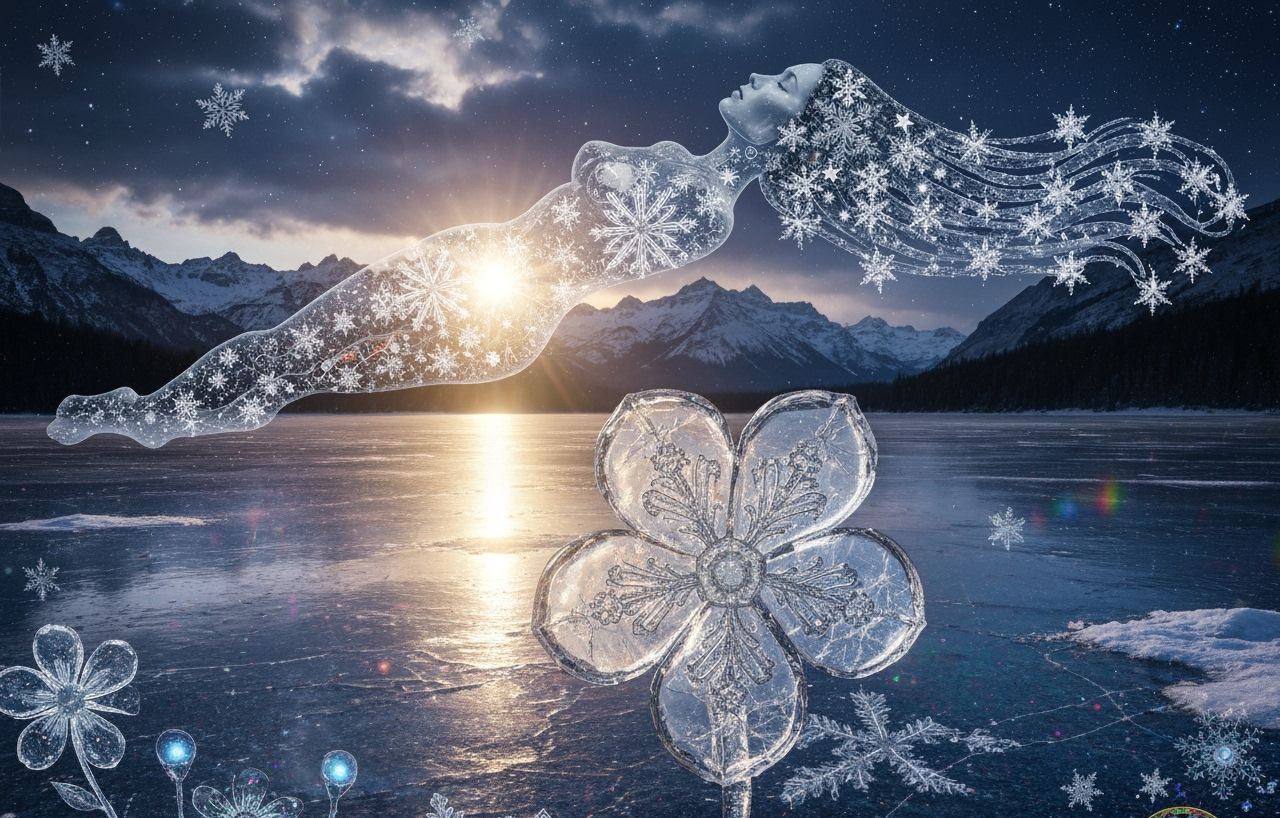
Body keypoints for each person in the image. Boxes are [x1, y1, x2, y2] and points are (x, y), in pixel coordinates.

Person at [48, 60, 1242, 447]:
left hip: (488, 299)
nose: (760, 76)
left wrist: (603, 175)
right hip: (478, 269)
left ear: (789, 132)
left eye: (783, 85)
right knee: (296, 342)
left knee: (307, 351)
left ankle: (150, 414)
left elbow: (593, 208)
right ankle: (151, 408)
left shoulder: (695, 202)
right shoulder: (682, 173)